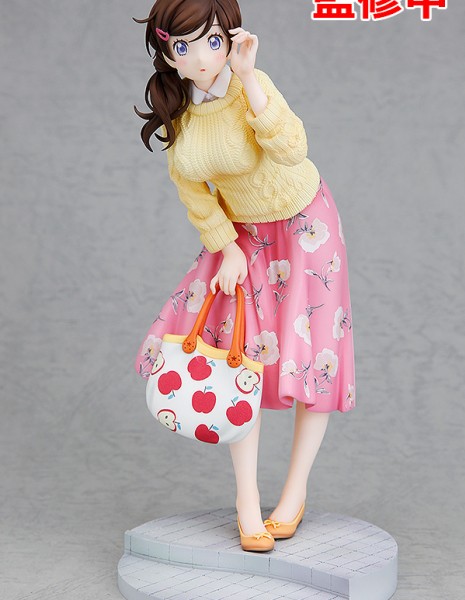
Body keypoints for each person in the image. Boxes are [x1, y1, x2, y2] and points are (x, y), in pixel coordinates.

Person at [133, 0, 356, 552]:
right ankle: (247, 501)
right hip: (243, 238)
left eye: (212, 40)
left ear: (231, 39)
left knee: (312, 354)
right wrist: (225, 246)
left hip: (306, 225)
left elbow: (292, 148)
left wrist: (250, 78)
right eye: (183, 46)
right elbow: (192, 191)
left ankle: (294, 492)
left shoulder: (247, 87)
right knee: (239, 356)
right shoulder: (181, 115)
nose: (200, 57)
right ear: (167, 53)